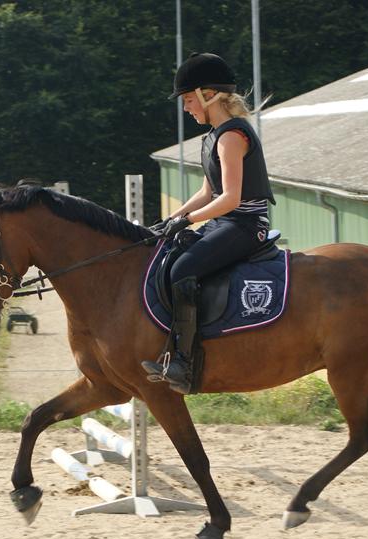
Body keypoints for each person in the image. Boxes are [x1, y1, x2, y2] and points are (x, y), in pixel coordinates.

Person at [142, 52, 276, 394]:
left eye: (189, 100)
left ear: (209, 95)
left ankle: (184, 363)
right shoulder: (213, 137)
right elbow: (207, 192)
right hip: (224, 223)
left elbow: (230, 198)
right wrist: (170, 220)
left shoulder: (232, 137)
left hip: (246, 224)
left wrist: (187, 220)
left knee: (182, 269)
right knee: (169, 256)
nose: (186, 108)